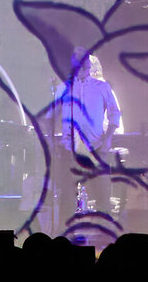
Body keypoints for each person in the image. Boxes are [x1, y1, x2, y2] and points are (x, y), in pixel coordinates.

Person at [51, 47, 122, 215]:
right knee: (67, 199)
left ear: (89, 65)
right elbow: (53, 116)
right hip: (70, 149)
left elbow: (115, 113)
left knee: (102, 197)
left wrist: (108, 138)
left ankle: (104, 228)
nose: (84, 66)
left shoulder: (102, 87)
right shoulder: (63, 88)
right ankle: (66, 229)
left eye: (86, 62)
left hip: (96, 147)